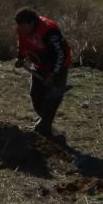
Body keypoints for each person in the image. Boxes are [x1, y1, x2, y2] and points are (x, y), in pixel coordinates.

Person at [14, 8, 72, 137]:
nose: (20, 30)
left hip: (58, 65)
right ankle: (45, 120)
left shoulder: (50, 31)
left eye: (23, 27)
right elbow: (22, 43)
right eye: (19, 27)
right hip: (40, 63)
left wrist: (52, 75)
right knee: (35, 93)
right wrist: (21, 58)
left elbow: (60, 56)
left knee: (52, 96)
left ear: (31, 23)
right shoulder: (21, 29)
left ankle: (45, 126)